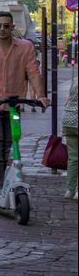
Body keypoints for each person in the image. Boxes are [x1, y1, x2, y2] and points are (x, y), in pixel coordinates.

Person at [0, 11, 50, 194]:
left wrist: (41, 96)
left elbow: (33, 73)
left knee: (11, 144)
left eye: (6, 25)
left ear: (13, 27)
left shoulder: (25, 47)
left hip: (14, 106)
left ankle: (5, 180)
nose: (2, 29)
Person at [64, 72, 77, 201]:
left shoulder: (75, 81)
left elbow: (68, 101)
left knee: (73, 158)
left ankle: (70, 190)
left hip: (69, 120)